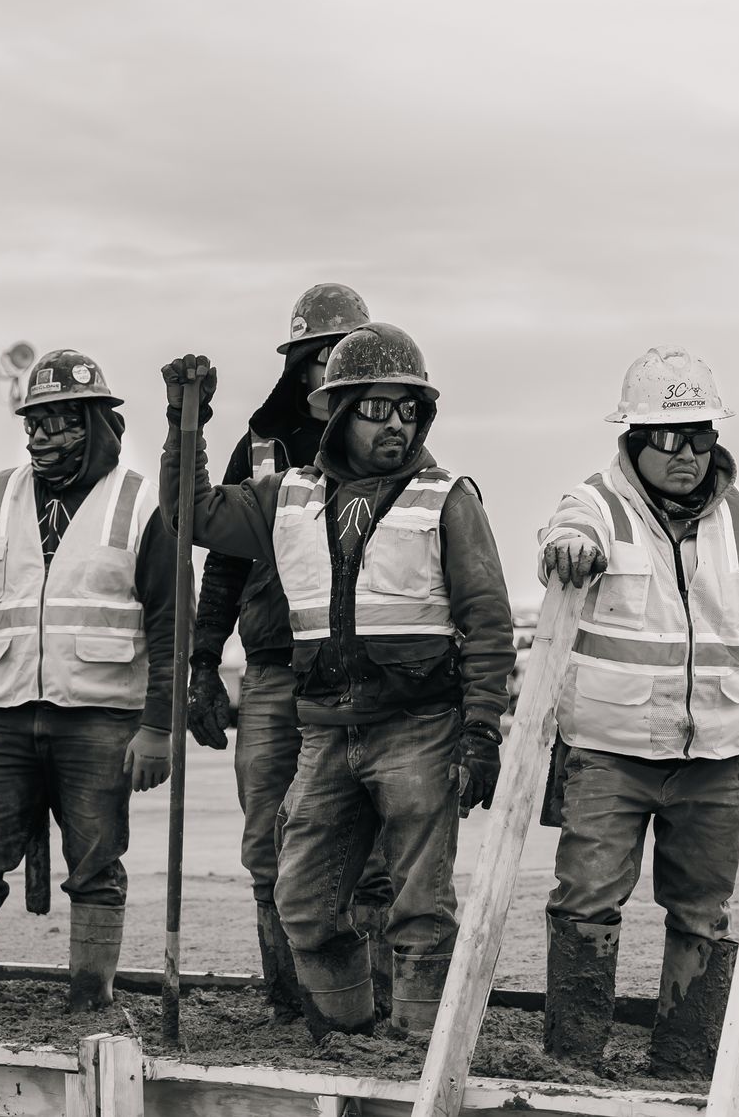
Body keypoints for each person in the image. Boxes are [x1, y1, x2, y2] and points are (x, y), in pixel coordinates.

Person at [159, 325, 516, 1039]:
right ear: (341, 409)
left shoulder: (446, 498)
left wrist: (480, 731)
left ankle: (418, 1046)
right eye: (379, 408)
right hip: (325, 732)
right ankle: (348, 1035)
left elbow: (488, 622)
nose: (397, 424)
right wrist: (185, 422)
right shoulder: (287, 497)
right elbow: (192, 516)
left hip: (419, 729)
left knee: (419, 902)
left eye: (409, 410)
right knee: (303, 901)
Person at [536, 346, 739, 1077]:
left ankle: (685, 1063)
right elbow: (561, 533)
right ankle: (574, 1060)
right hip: (608, 754)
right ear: (635, 439)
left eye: (703, 434)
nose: (689, 453)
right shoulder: (595, 503)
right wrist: (568, 548)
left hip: (711, 760)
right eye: (671, 436)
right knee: (586, 902)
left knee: (702, 915)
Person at [0, 349, 178, 1010]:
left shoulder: (139, 505)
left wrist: (159, 726)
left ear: (94, 422)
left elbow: (172, 624)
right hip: (3, 720)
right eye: (35, 421)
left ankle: (90, 1000)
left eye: (59, 422)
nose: (42, 436)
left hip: (100, 720)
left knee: (95, 868)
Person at [186, 283, 397, 1022]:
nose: (332, 372)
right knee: (267, 845)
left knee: (367, 853)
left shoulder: (395, 445)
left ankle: (370, 1006)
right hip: (276, 668)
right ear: (302, 365)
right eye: (322, 359)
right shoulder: (264, 448)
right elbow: (223, 559)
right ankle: (292, 1001)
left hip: (363, 673)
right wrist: (203, 659)